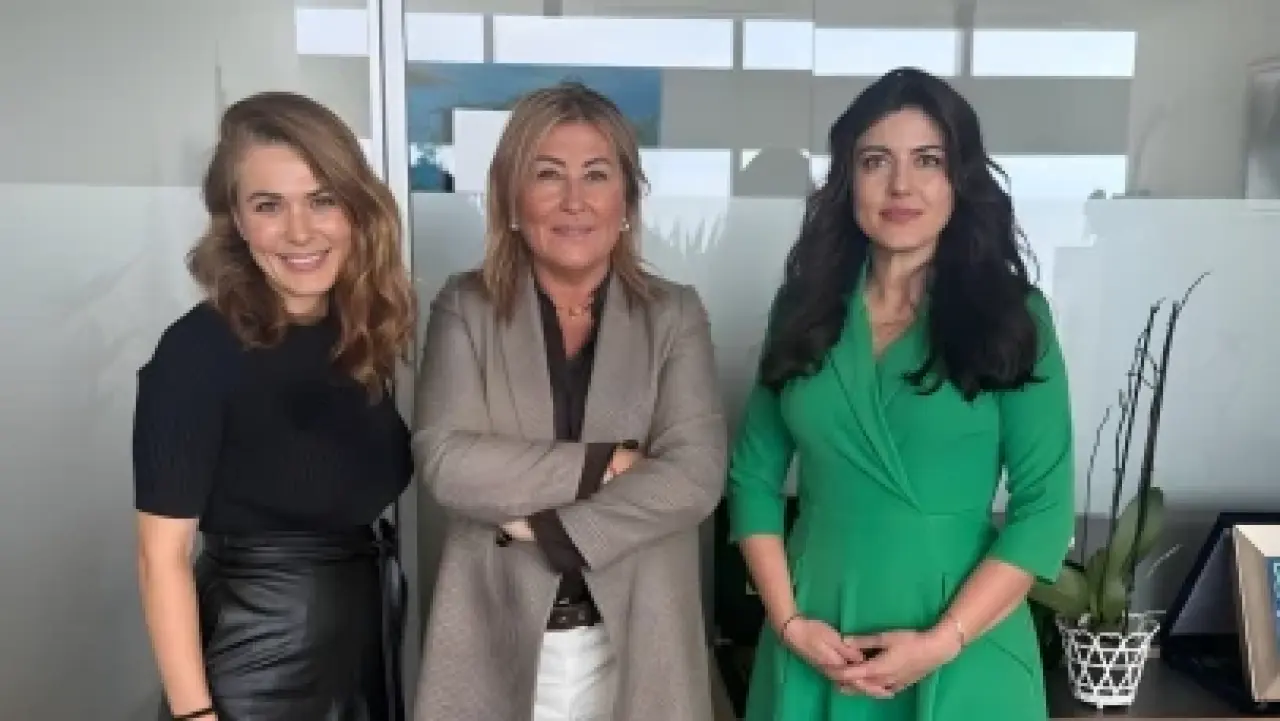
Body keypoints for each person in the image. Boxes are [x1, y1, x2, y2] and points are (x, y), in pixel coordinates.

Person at [727, 67, 1076, 721]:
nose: (901, 185)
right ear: (848, 179)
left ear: (959, 179)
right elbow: (752, 477)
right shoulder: (802, 311)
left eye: (928, 160)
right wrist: (789, 622)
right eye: (875, 161)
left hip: (965, 647)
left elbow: (1045, 510)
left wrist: (941, 642)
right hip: (814, 641)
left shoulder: (1012, 316)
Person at [411, 81, 727, 721]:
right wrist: (608, 463)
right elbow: (448, 462)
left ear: (627, 199)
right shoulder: (465, 307)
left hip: (640, 641)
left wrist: (550, 531)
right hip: (494, 635)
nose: (575, 200)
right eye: (548, 174)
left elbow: (694, 475)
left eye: (597, 175)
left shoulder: (674, 314)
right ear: (512, 197)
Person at [132, 91, 416, 721]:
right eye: (269, 205)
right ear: (236, 220)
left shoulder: (356, 335)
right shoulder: (197, 352)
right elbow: (161, 558)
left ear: (355, 207)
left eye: (322, 199)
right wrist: (194, 717)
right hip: (256, 674)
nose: (300, 231)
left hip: (358, 658)